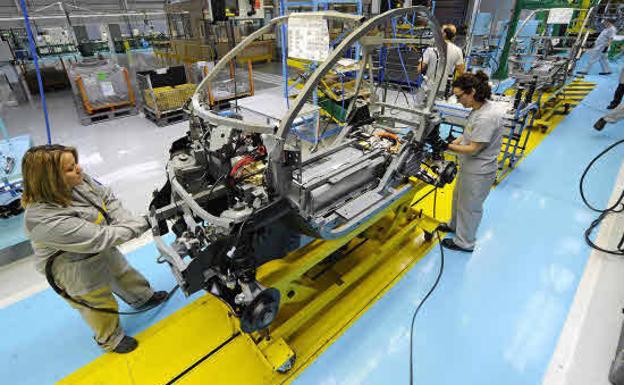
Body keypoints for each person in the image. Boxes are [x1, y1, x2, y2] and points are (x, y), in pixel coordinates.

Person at [22, 145, 167, 353]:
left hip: (97, 244)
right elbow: (100, 237)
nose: (79, 170)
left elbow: (106, 196)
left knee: (121, 271)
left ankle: (142, 297)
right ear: (50, 181)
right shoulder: (42, 219)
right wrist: (145, 223)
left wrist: (124, 220)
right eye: (70, 169)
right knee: (96, 298)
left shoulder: (76, 180)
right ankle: (111, 339)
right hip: (71, 265)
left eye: (75, 164)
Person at [437, 71, 505, 252]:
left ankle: (464, 242)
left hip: (479, 170)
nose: (458, 100)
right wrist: (453, 142)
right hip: (468, 166)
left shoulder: (487, 117)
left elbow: (474, 148)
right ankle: (454, 226)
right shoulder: (478, 108)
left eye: (459, 96)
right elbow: (467, 135)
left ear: (472, 92)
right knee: (458, 198)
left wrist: (446, 147)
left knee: (470, 207)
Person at [419, 24, 465, 96]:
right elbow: (461, 71)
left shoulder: (432, 47)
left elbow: (420, 68)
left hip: (429, 85)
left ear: (444, 34)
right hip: (442, 87)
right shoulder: (457, 50)